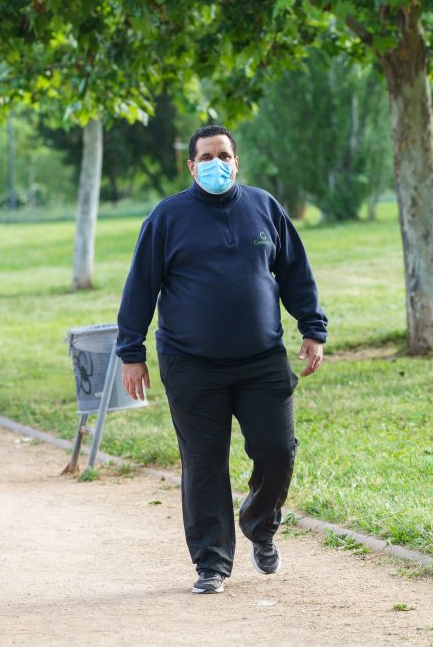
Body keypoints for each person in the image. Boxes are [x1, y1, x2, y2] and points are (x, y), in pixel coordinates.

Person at [115, 124, 328, 595]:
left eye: (224, 156)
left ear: (236, 162)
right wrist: (132, 353)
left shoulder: (264, 207)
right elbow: (140, 287)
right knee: (205, 464)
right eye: (207, 157)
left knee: (278, 451)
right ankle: (211, 564)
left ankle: (260, 525)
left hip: (262, 360)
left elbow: (295, 271)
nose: (217, 164)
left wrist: (313, 328)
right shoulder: (167, 217)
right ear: (191, 166)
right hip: (191, 363)